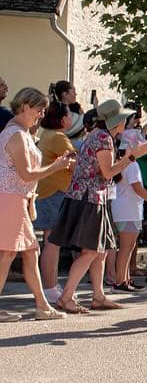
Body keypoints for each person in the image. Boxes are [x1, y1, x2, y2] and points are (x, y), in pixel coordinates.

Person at [48, 100, 147, 313]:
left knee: (101, 251)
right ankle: (66, 297)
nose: (128, 121)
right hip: (90, 199)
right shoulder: (104, 138)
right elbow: (108, 172)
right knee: (90, 252)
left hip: (91, 198)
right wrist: (132, 156)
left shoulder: (97, 135)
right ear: (117, 120)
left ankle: (98, 296)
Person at [0, 87, 76, 321]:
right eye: (39, 109)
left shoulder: (19, 132)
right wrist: (56, 167)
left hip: (16, 199)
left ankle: (42, 305)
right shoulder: (16, 134)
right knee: (12, 253)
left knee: (25, 252)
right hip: (11, 198)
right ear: (25, 107)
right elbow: (27, 173)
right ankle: (42, 305)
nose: (42, 114)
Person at [35, 101, 81, 301]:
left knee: (50, 242)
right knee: (52, 243)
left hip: (47, 191)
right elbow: (76, 164)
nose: (71, 119)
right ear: (63, 119)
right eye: (69, 115)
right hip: (54, 193)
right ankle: (50, 287)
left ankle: (50, 286)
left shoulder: (47, 134)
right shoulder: (59, 137)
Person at [110, 122, 147, 291]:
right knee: (126, 247)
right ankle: (121, 281)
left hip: (128, 209)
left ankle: (125, 279)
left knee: (129, 246)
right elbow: (137, 188)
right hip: (128, 210)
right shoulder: (131, 165)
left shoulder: (125, 163)